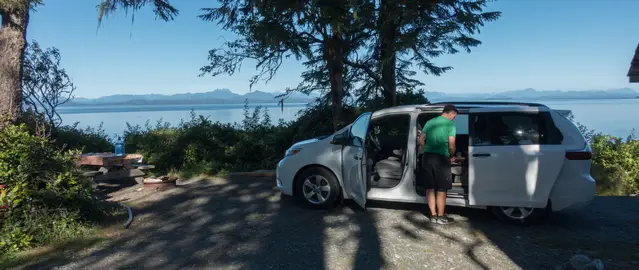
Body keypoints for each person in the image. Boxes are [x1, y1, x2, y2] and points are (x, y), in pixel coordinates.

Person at [418, 104, 458, 224]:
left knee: (429, 187)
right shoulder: (451, 125)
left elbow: (420, 140)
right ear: (450, 113)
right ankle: (441, 217)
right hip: (441, 158)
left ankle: (433, 216)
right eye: (454, 116)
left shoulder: (430, 122)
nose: (454, 118)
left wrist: (425, 150)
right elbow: (451, 144)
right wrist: (452, 155)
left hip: (427, 157)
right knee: (442, 188)